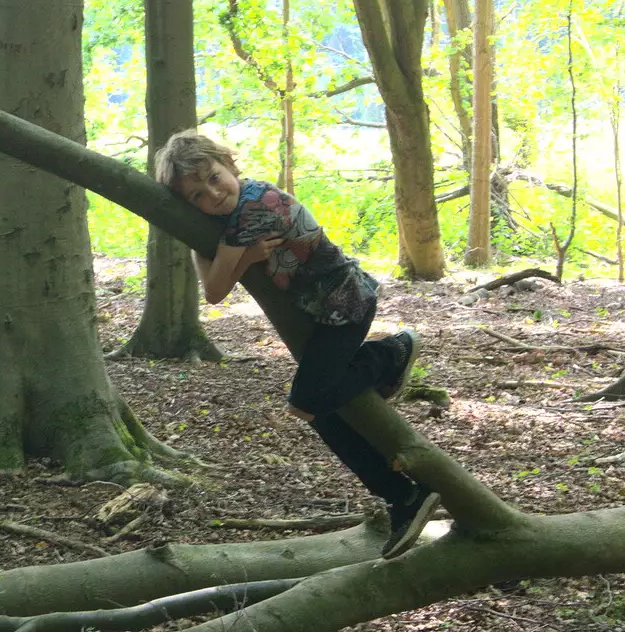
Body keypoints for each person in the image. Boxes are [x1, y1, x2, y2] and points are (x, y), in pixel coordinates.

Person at [155, 130, 438, 558]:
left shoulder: (257, 207)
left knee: (306, 401)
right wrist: (235, 255)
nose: (212, 194)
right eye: (196, 196)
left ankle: (389, 354)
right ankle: (403, 495)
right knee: (325, 415)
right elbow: (217, 273)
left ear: (230, 165)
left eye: (214, 178)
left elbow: (213, 290)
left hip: (346, 304)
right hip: (323, 316)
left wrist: (232, 255)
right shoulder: (233, 221)